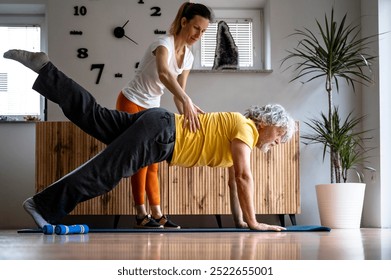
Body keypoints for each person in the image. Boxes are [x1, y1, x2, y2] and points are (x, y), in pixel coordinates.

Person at [3, 49, 296, 231]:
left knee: (94, 115)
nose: (280, 142)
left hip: (158, 124)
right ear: (266, 122)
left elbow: (235, 183)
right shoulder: (246, 129)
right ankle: (42, 206)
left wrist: (243, 222)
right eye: (281, 135)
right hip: (161, 134)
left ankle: (45, 69)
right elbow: (244, 177)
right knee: (106, 171)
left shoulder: (240, 135)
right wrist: (257, 222)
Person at [115, 2, 213, 229]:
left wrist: (186, 115)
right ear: (184, 22)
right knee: (140, 160)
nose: (199, 35)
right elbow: (164, 73)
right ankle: (141, 215)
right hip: (131, 101)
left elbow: (179, 95)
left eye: (204, 31)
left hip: (152, 107)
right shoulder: (162, 44)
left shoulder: (188, 57)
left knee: (154, 162)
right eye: (196, 28)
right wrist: (187, 100)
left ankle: (157, 214)